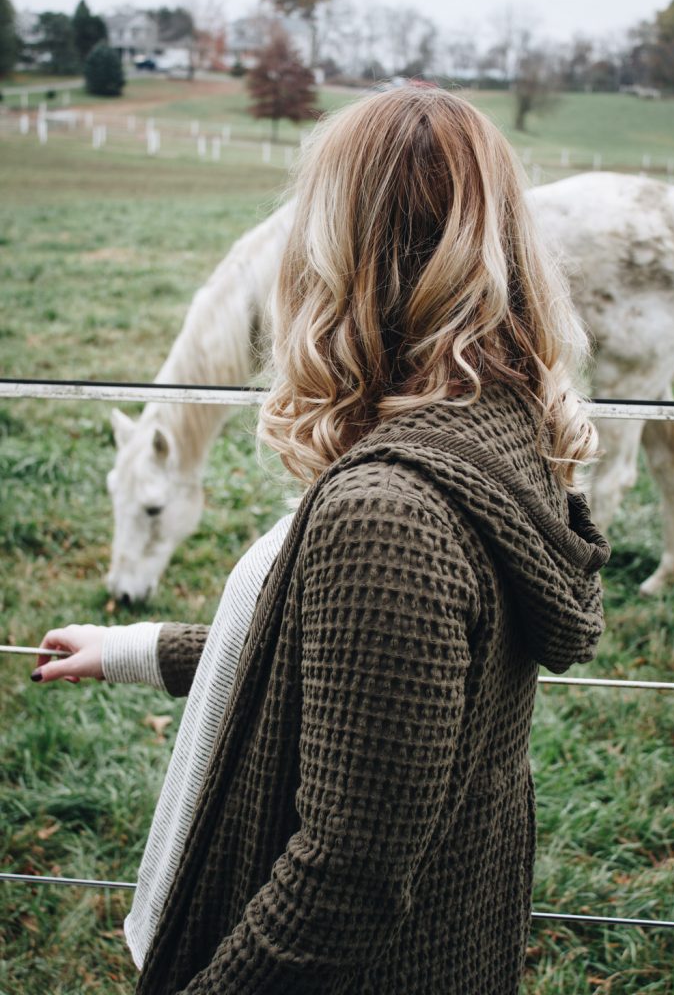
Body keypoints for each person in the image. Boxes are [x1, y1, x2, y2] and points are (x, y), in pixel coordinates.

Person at [32, 86, 611, 995]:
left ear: (343, 252)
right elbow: (368, 674)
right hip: (451, 933)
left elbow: (342, 881)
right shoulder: (495, 425)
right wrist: (135, 650)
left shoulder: (389, 513)